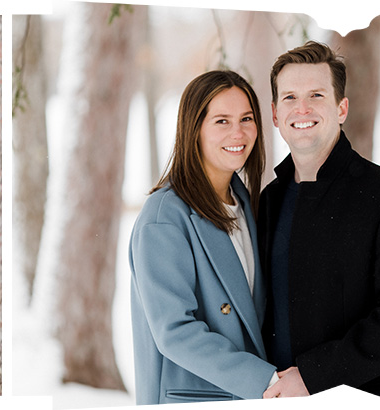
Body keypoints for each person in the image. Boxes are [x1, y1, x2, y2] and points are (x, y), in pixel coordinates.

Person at [259, 41, 380, 398]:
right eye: (290, 98)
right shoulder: (269, 201)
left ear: (342, 108)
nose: (303, 108)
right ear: (276, 114)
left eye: (316, 95)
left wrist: (313, 375)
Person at [128, 70, 276, 404]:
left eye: (246, 118)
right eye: (221, 121)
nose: (238, 132)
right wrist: (264, 380)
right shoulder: (165, 216)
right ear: (194, 129)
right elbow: (175, 331)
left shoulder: (247, 206)